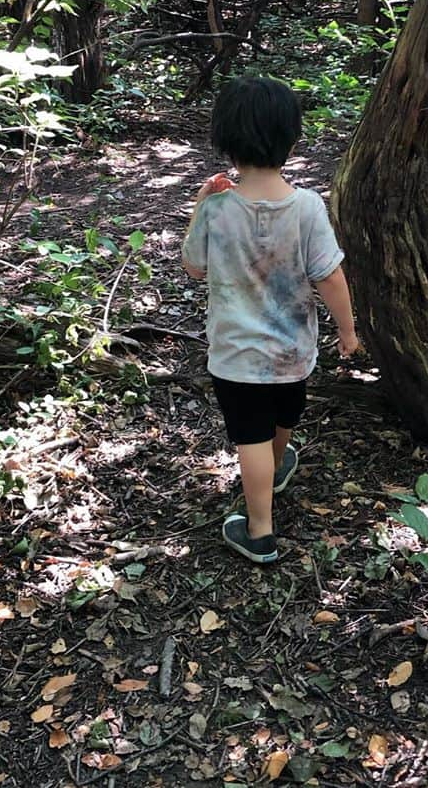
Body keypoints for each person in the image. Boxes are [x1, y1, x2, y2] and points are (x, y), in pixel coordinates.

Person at [182, 76, 359, 563]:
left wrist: (201, 201)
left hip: (236, 354)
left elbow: (193, 265)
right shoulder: (306, 207)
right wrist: (347, 330)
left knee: (250, 435)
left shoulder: (218, 208)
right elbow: (331, 276)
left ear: (226, 142)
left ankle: (259, 529)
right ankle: (274, 472)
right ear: (292, 138)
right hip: (292, 350)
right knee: (283, 417)